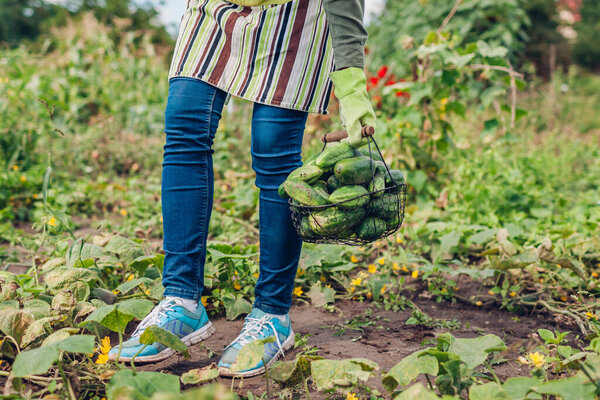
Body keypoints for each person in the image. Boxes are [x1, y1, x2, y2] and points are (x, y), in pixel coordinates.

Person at [109, 0, 376, 377]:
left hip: (296, 13)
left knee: (274, 148)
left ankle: (272, 315)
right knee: (185, 123)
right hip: (215, 8)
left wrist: (351, 83)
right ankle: (181, 301)